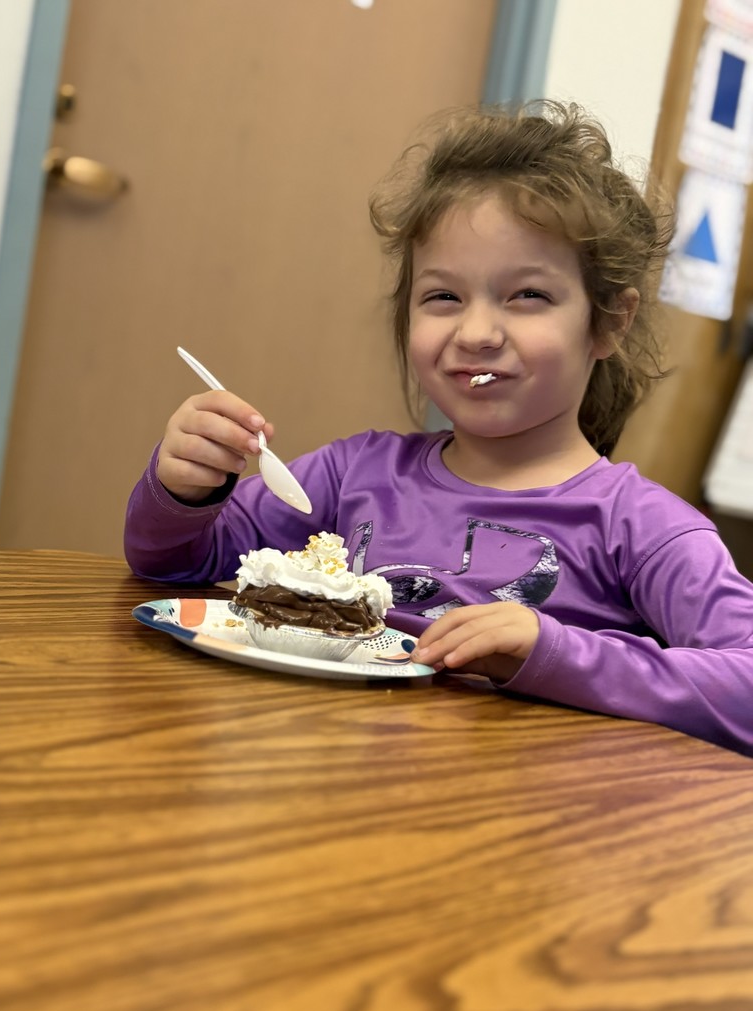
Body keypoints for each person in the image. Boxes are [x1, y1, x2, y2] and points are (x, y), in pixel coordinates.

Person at [125, 100, 753, 756]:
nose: (475, 333)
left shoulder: (644, 528)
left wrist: (556, 652)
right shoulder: (352, 476)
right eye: (443, 297)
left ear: (608, 322)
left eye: (528, 296)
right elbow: (173, 565)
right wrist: (187, 491)